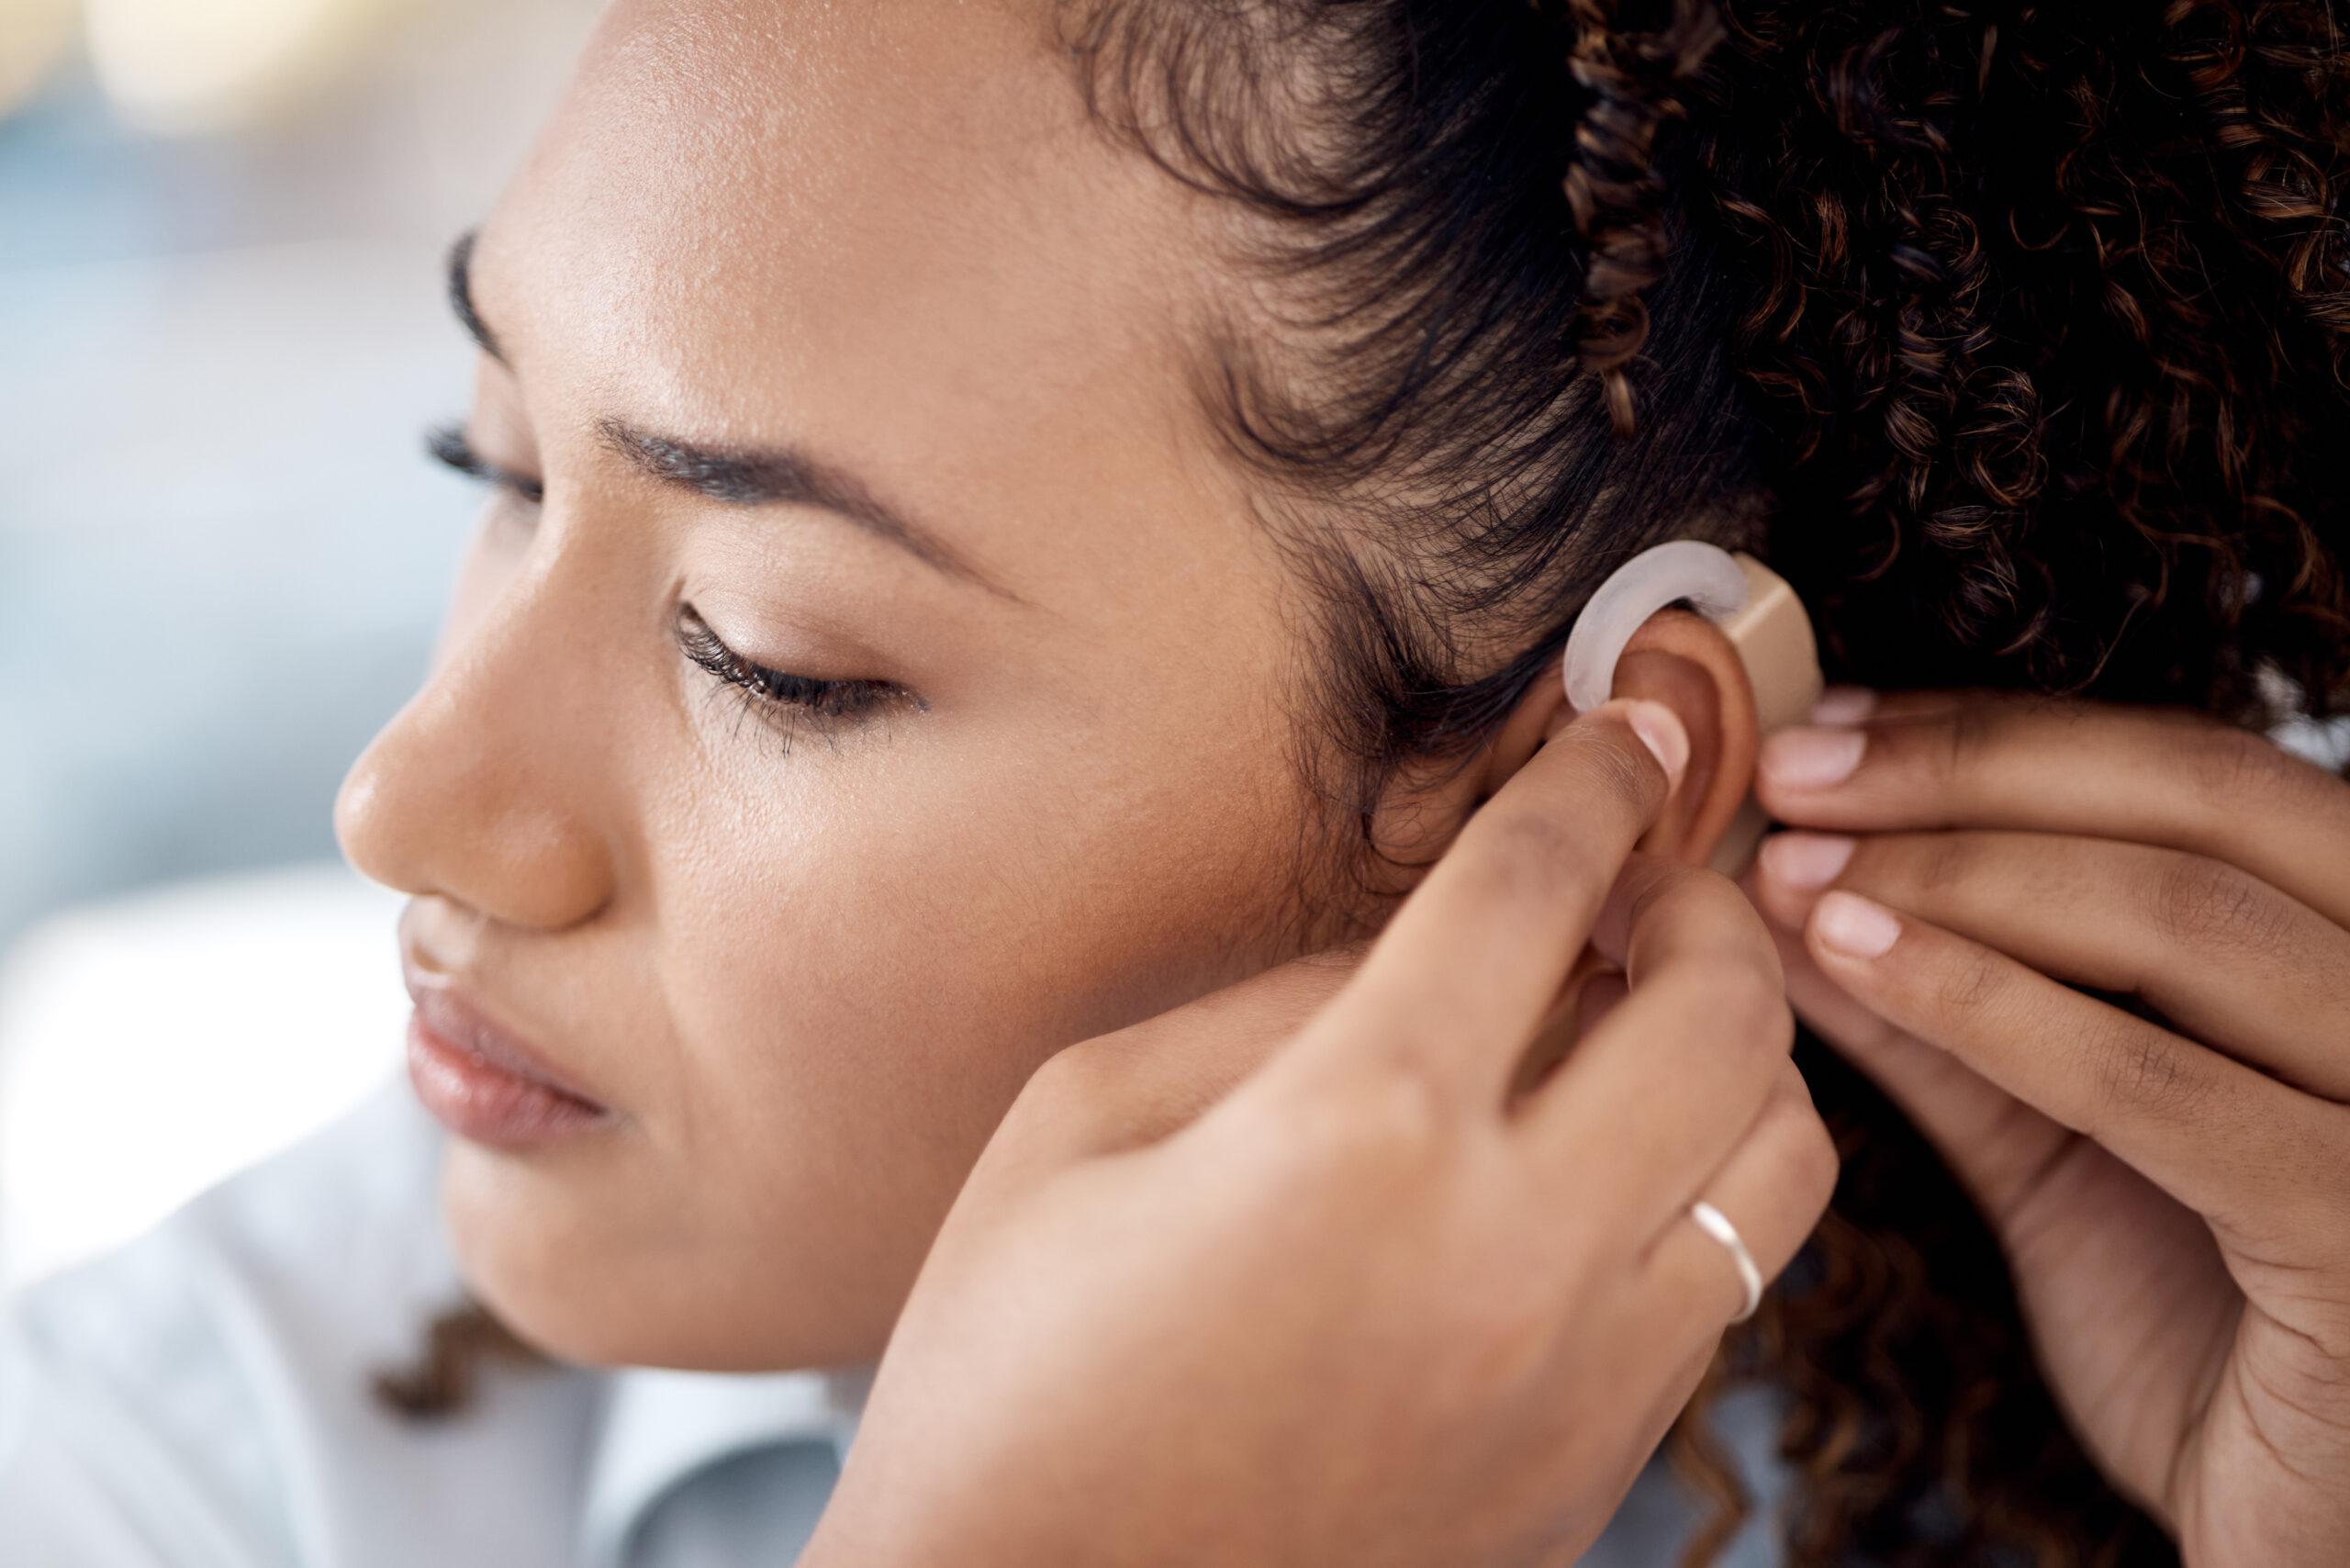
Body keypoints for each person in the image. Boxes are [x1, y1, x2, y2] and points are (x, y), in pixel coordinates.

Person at [4, 0, 2347, 1563]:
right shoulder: (157, 1467)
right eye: (494, 459)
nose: (405, 801)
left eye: (769, 654)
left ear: (1630, 764)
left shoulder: (2174, 1388)